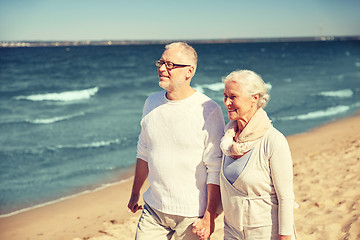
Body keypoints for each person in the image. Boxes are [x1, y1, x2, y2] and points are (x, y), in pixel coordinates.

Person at [127, 42, 225, 240]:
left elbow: (215, 168)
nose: (162, 69)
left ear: (189, 71)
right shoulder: (151, 103)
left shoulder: (209, 110)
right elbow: (144, 153)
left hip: (192, 214)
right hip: (153, 209)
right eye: (161, 63)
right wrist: (135, 192)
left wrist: (209, 216)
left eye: (170, 64)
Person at [219, 70, 296, 240]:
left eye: (233, 97)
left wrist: (285, 237)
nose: (227, 103)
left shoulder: (273, 140)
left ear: (254, 98)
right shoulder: (227, 139)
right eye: (225, 96)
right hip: (231, 231)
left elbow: (286, 197)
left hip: (265, 232)